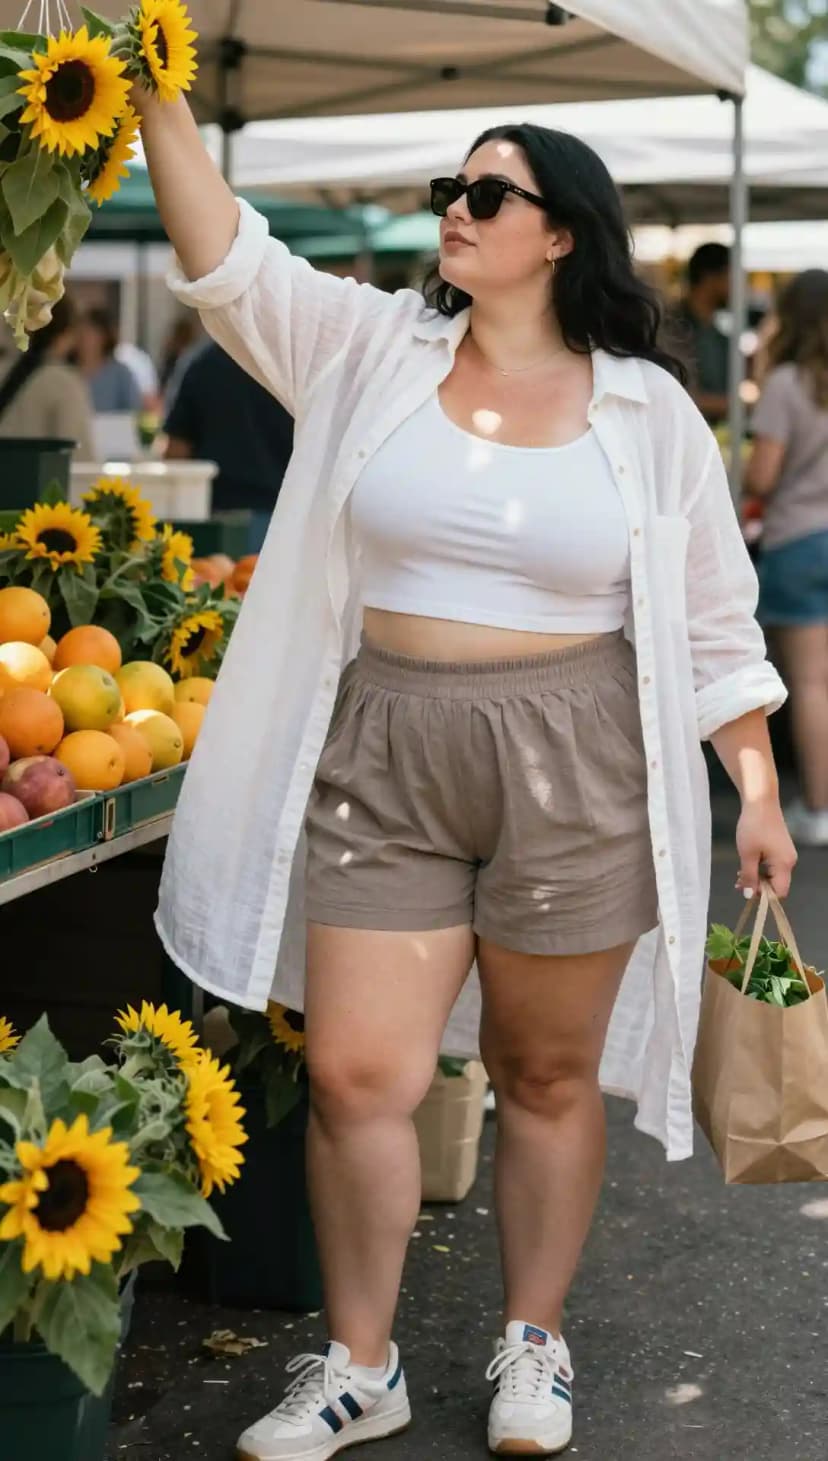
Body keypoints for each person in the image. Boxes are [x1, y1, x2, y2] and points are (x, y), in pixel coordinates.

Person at [138, 90, 794, 1461]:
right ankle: (359, 1361)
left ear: (563, 236)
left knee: (542, 1071)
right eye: (453, 183)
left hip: (577, 751)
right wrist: (153, 85)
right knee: (358, 1074)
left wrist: (758, 784)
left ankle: (533, 1339)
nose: (457, 206)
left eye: (488, 193)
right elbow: (229, 259)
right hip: (385, 740)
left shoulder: (646, 408)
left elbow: (712, 608)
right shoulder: (374, 345)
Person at [746, 270, 828, 847]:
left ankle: (819, 809)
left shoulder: (786, 384)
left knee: (810, 683)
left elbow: (762, 476)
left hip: (799, 540)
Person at [163, 340, 294, 552]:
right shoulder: (290, 366)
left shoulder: (202, 364)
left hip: (216, 519)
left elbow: (177, 452)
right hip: (281, 517)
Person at [0, 293, 95, 458]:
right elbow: (80, 456)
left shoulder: (5, 369)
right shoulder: (64, 383)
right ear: (67, 331)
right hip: (36, 481)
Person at [668, 242, 731, 425]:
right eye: (730, 276)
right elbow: (679, 395)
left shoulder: (719, 336)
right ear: (710, 277)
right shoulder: (670, 330)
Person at [75, 307, 143, 414]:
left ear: (104, 336)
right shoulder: (67, 373)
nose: (83, 337)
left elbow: (133, 414)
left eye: (90, 331)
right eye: (79, 331)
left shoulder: (121, 374)